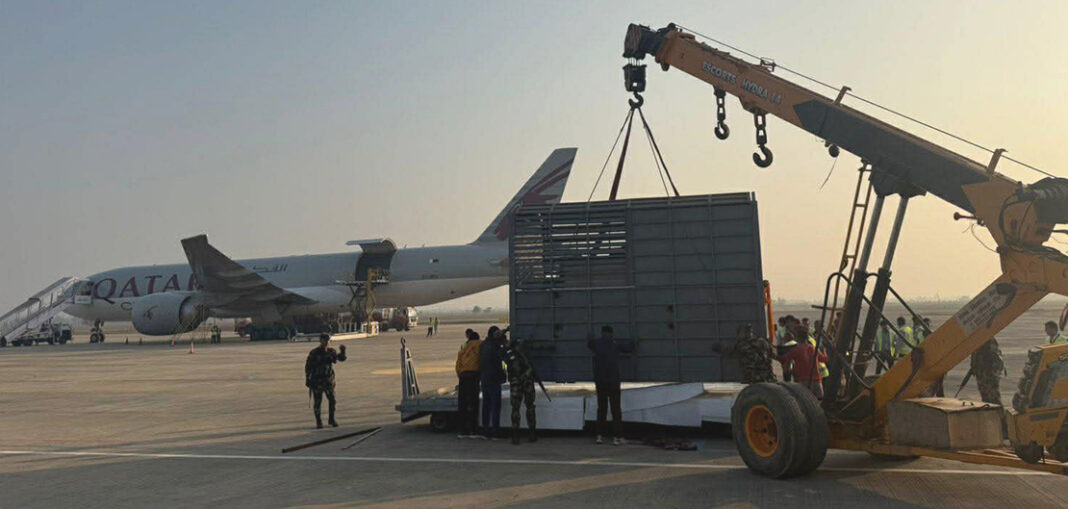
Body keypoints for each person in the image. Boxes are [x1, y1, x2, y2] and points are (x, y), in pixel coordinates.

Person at [587, 325, 634, 445]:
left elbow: (590, 344)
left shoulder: (596, 343)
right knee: (615, 409)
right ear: (611, 333)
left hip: (600, 381)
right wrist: (635, 341)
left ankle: (599, 436)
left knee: (601, 409)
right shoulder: (615, 344)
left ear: (602, 333)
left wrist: (590, 338)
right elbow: (629, 348)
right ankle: (617, 437)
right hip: (613, 381)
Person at [304, 333, 347, 429]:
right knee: (317, 402)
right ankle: (318, 421)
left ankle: (331, 419)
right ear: (321, 341)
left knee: (332, 400)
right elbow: (308, 366)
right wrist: (308, 379)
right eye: (325, 340)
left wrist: (343, 351)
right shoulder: (314, 353)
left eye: (328, 340)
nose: (327, 342)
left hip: (328, 380)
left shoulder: (331, 351)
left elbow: (340, 358)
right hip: (317, 380)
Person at [503, 337, 537, 444]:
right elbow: (531, 368)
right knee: (530, 406)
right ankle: (531, 433)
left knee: (516, 408)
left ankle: (516, 435)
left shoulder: (510, 355)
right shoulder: (525, 355)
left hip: (516, 382)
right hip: (526, 381)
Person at [778, 327, 828, 399]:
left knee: (804, 402)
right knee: (819, 401)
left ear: (797, 337)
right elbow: (824, 359)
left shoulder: (795, 350)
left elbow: (785, 360)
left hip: (803, 382)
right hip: (817, 381)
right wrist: (825, 350)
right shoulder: (813, 348)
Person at [479, 326, 506, 439]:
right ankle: (495, 431)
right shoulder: (494, 347)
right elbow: (498, 362)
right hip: (493, 379)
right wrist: (502, 375)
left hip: (484, 378)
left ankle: (486, 430)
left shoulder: (484, 345)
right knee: (495, 406)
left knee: (486, 406)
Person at [454, 329, 482, 438]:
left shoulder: (464, 348)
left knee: (463, 404)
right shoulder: (480, 345)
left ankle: (463, 430)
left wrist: (460, 375)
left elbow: (458, 365)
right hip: (473, 376)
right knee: (474, 403)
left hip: (463, 377)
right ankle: (473, 430)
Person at [970, 337, 1005, 405]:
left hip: (988, 371)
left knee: (993, 395)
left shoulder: (987, 340)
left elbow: (995, 359)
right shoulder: (978, 339)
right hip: (982, 371)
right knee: (985, 395)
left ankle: (997, 410)